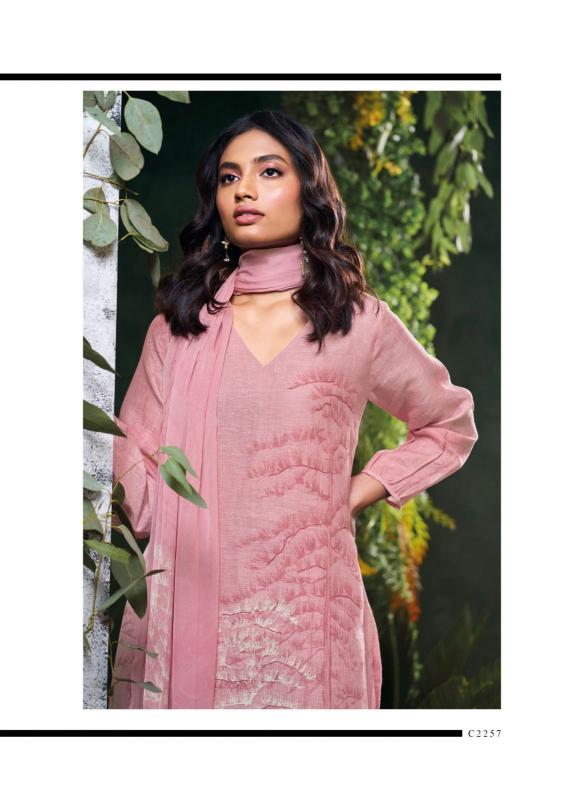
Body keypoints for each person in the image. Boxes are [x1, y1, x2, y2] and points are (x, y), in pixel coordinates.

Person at [109, 109, 478, 710]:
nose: (244, 190)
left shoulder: (356, 321)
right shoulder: (179, 330)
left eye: (269, 171)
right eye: (229, 178)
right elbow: (133, 469)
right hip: (186, 613)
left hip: (309, 625)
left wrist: (354, 492)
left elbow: (449, 423)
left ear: (309, 190)